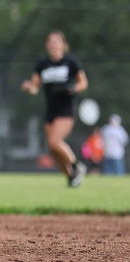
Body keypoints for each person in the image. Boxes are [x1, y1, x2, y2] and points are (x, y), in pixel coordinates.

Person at [21, 30, 88, 187]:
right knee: (53, 149)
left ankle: (77, 165)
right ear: (47, 45)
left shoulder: (70, 62)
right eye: (50, 42)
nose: (53, 44)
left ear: (63, 45)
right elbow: (35, 87)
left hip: (66, 108)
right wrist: (28, 87)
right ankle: (71, 177)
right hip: (51, 110)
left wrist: (74, 88)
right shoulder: (42, 64)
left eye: (56, 41)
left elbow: (83, 83)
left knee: (54, 141)